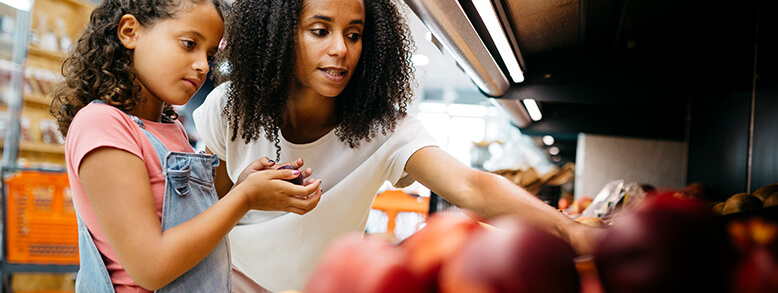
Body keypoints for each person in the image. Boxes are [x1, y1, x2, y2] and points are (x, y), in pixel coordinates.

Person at [193, 0, 602, 291]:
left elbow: (470, 186)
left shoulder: (383, 128)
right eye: (320, 30)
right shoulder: (230, 108)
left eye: (354, 34)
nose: (341, 49)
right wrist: (246, 197)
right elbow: (206, 220)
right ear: (280, 35)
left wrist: (568, 230)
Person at [49, 0, 322, 292]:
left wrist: (241, 184)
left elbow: (186, 231)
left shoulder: (172, 129)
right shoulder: (102, 125)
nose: (203, 65)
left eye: (210, 54)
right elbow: (151, 267)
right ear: (130, 32)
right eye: (189, 43)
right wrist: (244, 198)